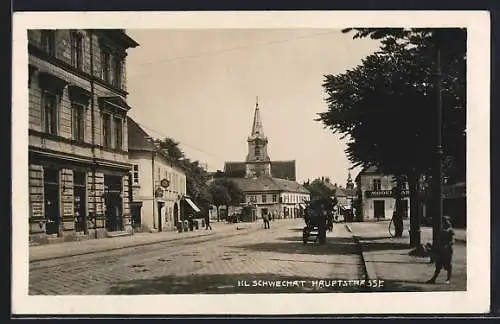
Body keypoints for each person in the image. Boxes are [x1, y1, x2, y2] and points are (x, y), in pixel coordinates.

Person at [426, 216, 455, 284]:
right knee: (438, 265)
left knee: (448, 265)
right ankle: (433, 279)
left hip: (447, 250)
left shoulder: (450, 231)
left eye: (446, 221)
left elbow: (453, 240)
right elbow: (438, 240)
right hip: (441, 250)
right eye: (444, 221)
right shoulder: (442, 230)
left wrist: (447, 245)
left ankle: (448, 279)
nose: (445, 223)